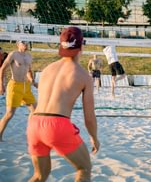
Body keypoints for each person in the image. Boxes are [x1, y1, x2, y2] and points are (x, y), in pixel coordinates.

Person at [27, 27, 100, 181]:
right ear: (81, 46)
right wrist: (94, 137)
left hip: (34, 123)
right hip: (57, 125)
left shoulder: (47, 69)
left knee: (40, 175)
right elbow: (89, 117)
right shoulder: (83, 75)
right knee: (84, 168)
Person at [0, 41, 37, 141]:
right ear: (18, 44)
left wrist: (33, 82)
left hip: (26, 86)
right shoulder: (13, 55)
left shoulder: (29, 56)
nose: (26, 44)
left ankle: (30, 132)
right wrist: (1, 85)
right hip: (15, 86)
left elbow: (29, 71)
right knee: (9, 114)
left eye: (27, 42)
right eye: (23, 42)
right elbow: (2, 69)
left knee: (35, 111)